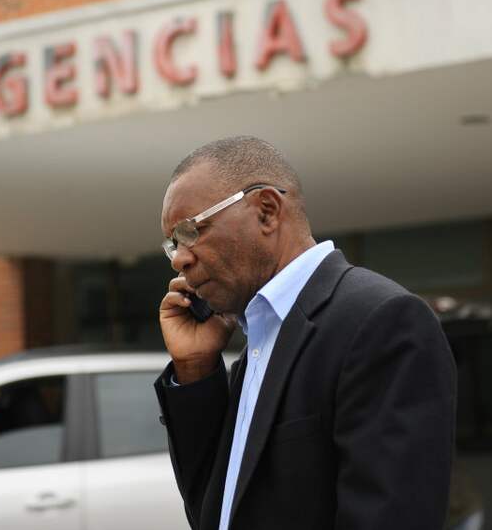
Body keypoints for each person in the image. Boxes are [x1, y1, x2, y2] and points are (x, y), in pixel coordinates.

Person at [154, 136, 457, 530]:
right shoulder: (260, 338)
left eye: (191, 231)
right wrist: (196, 372)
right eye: (173, 243)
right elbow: (217, 512)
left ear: (266, 211)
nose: (179, 258)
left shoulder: (381, 321)